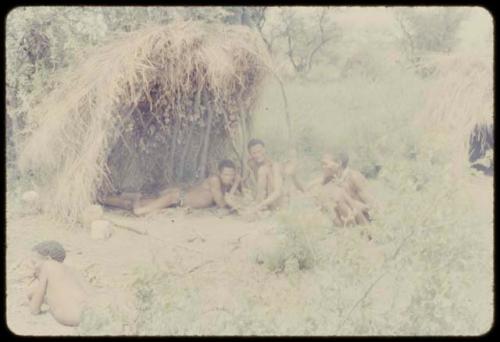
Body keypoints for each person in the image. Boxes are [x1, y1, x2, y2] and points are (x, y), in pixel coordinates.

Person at [98, 159, 241, 216]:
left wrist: (232, 185)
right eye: (226, 174)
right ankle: (128, 197)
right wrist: (234, 185)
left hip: (177, 200)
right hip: (175, 198)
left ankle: (101, 199)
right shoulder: (215, 180)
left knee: (131, 205)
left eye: (232, 175)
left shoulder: (222, 185)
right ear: (219, 173)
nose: (229, 177)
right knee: (139, 210)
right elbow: (222, 204)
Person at [286, 151, 374, 226]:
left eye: (325, 164)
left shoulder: (354, 177)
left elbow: (374, 207)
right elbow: (306, 190)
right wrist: (294, 176)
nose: (323, 167)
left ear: (338, 163)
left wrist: (357, 205)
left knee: (338, 196)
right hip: (346, 223)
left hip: (365, 223)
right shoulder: (330, 178)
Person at [26, 241, 87, 326]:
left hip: (76, 317)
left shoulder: (47, 265)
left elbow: (34, 309)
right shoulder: (70, 271)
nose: (34, 267)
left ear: (48, 258)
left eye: (35, 262)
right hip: (91, 311)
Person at [242, 139, 284, 216]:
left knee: (263, 170)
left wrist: (257, 207)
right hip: (263, 201)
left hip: (276, 201)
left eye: (260, 151)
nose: (258, 155)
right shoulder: (251, 163)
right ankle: (261, 208)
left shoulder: (274, 165)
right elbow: (244, 181)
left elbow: (278, 192)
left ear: (264, 150)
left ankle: (261, 208)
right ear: (250, 154)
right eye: (254, 153)